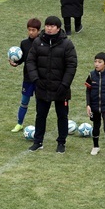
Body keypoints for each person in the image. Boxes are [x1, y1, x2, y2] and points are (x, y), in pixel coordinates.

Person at [26, 16, 77, 154]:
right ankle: (38, 142)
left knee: (62, 116)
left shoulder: (67, 44)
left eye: (52, 26)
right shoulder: (38, 42)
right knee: (40, 115)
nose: (49, 28)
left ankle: (61, 143)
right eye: (47, 25)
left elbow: (71, 66)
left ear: (58, 28)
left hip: (61, 88)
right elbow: (30, 62)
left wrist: (65, 84)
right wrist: (36, 79)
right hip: (42, 86)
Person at [10, 18, 42, 133]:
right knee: (24, 101)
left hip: (39, 79)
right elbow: (22, 59)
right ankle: (19, 124)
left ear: (38, 30)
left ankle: (39, 125)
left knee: (40, 104)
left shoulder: (42, 43)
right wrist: (15, 63)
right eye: (29, 30)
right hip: (28, 78)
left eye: (33, 30)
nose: (31, 32)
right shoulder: (24, 43)